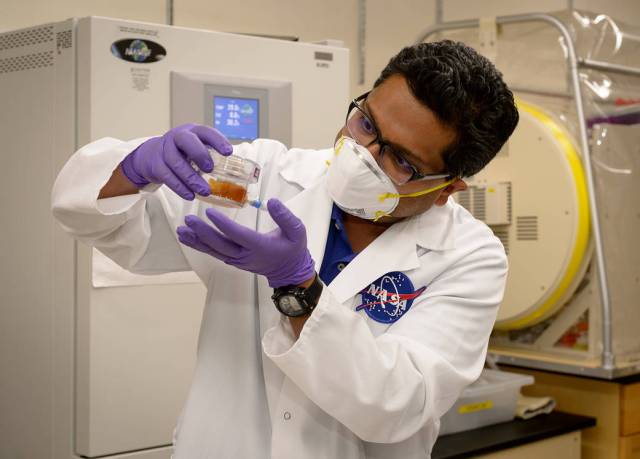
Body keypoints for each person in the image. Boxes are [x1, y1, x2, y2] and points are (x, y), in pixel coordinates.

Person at [52, 40, 519, 458]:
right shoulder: (264, 172)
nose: (362, 155)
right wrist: (136, 167)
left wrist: (298, 287)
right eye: (364, 123)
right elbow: (107, 225)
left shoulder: (469, 256)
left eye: (400, 160)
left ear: (446, 189)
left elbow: (398, 404)